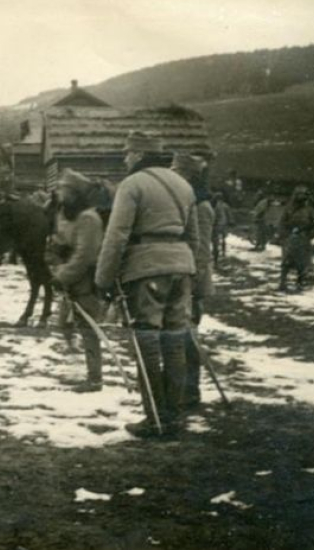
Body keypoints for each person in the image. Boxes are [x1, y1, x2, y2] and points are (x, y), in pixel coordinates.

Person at [95, 131, 199, 439]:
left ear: (139, 155)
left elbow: (117, 236)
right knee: (175, 338)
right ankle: (174, 416)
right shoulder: (184, 185)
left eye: (128, 153)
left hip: (147, 268)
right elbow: (193, 236)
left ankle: (153, 417)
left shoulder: (133, 184)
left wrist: (103, 278)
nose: (125, 158)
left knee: (147, 340)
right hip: (182, 267)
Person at [47, 169, 105, 393]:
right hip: (70, 278)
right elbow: (59, 241)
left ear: (75, 193)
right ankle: (77, 366)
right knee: (64, 323)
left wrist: (62, 276)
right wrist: (55, 251)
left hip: (86, 280)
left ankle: (95, 378)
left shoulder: (88, 218)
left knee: (89, 329)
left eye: (65, 189)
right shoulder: (66, 213)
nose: (60, 193)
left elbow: (85, 255)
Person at [185, 166, 215, 408]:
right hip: (187, 279)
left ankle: (191, 391)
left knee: (189, 337)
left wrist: (190, 284)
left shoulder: (201, 207)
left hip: (193, 282)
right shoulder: (191, 204)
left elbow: (202, 251)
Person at [278, 186, 314, 292]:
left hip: (303, 238)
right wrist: (285, 235)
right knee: (286, 261)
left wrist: (310, 234)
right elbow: (282, 222)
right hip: (290, 238)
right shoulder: (289, 208)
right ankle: (282, 282)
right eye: (300, 195)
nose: (302, 197)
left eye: (304, 195)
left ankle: (300, 282)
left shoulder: (309, 210)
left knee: (302, 262)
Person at [211, 192, 233, 264]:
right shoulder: (225, 205)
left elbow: (214, 215)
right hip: (224, 223)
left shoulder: (215, 206)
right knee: (223, 239)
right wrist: (230, 221)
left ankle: (216, 253)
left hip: (217, 224)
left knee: (216, 240)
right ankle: (223, 252)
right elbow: (229, 214)